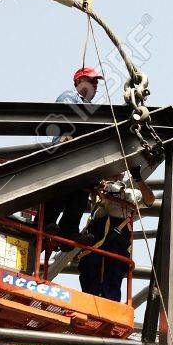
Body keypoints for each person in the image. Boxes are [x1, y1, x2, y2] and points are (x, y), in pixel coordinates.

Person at [43, 66, 106, 246]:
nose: (95, 85)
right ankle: (46, 222)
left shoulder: (90, 107)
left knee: (81, 193)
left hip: (81, 158)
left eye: (96, 82)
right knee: (61, 189)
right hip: (65, 152)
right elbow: (68, 119)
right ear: (79, 81)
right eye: (91, 81)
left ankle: (68, 232)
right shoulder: (69, 97)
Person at [78, 174, 154, 301]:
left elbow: (149, 200)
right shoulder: (99, 186)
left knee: (115, 267)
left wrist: (139, 179)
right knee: (89, 264)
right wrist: (100, 185)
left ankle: (110, 302)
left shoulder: (131, 193)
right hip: (98, 228)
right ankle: (89, 299)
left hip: (118, 232)